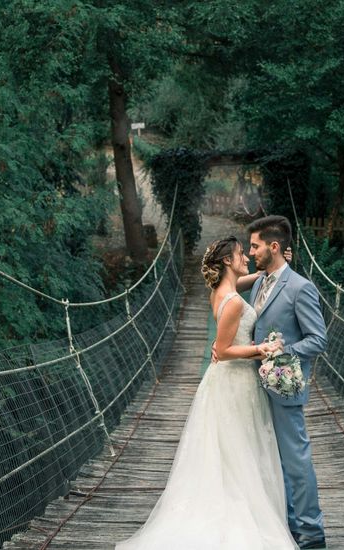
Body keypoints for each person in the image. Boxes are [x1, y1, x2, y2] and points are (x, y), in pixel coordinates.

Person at [116, 236, 298, 550]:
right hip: (235, 382)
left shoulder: (222, 292)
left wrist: (278, 268)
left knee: (230, 452)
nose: (247, 258)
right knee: (241, 450)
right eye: (242, 254)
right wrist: (262, 349)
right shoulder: (232, 303)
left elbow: (248, 281)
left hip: (227, 383)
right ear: (228, 261)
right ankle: (239, 519)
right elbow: (224, 350)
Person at [246, 215, 327, 549]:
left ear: (274, 246)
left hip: (284, 385)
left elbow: (318, 340)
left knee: (295, 459)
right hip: (253, 387)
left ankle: (312, 532)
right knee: (270, 459)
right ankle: (289, 526)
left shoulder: (301, 288)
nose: (251, 252)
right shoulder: (257, 284)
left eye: (255, 245)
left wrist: (281, 352)